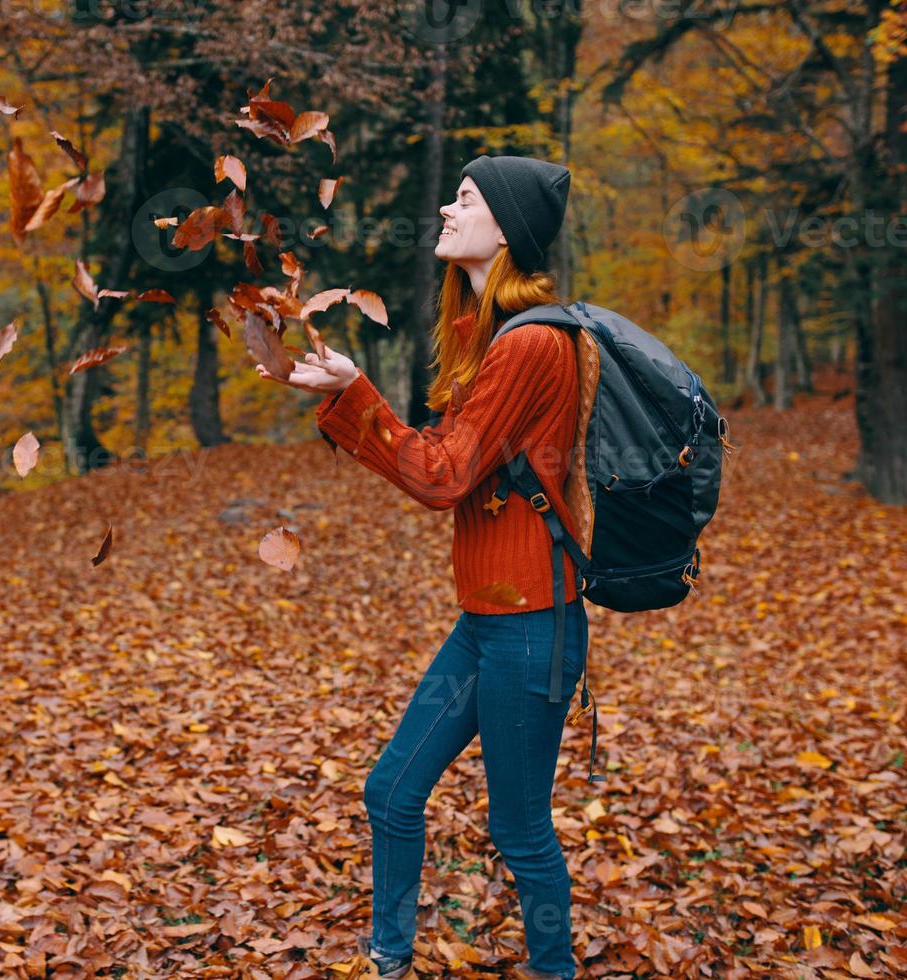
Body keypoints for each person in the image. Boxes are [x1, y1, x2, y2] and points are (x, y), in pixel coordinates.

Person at [256, 155, 588, 980]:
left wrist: (358, 395)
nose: (444, 207)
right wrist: (348, 393)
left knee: (520, 831)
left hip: (530, 628)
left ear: (507, 228)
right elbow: (451, 461)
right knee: (392, 792)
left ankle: (556, 969)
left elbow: (440, 477)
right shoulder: (489, 335)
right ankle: (388, 960)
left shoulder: (534, 343)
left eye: (465, 199)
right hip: (488, 622)